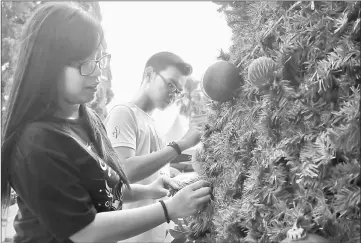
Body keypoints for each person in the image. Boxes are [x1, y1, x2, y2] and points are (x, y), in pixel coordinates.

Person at [0, 2, 211, 243]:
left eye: (100, 61)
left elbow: (104, 189)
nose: (99, 74)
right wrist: (168, 209)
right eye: (86, 64)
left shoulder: (87, 119)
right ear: (48, 65)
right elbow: (84, 230)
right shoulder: (36, 142)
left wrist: (149, 189)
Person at [104, 51, 204, 242]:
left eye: (178, 91)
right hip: (132, 236)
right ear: (149, 74)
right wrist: (181, 144)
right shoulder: (123, 113)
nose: (173, 94)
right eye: (170, 84)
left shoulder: (154, 124)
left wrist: (171, 175)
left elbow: (150, 177)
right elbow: (123, 170)